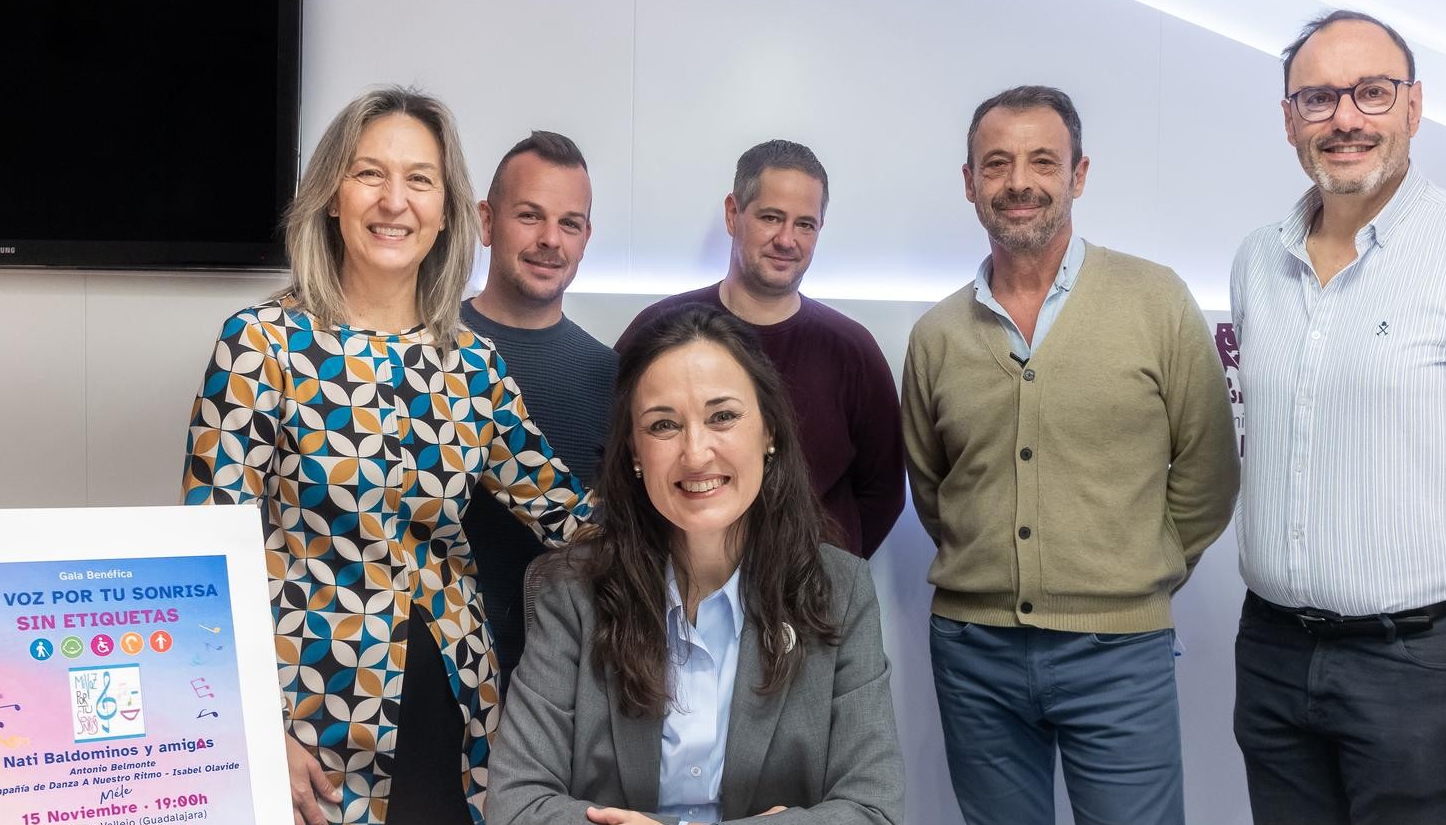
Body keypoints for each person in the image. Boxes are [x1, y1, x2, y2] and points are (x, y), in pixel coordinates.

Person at [181, 87, 591, 825]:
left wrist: (728, 523)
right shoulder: (261, 345)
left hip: (458, 712)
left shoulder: (473, 364)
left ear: (448, 209)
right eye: (369, 173)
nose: (394, 201)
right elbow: (203, 557)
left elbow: (569, 515)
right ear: (331, 196)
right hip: (308, 722)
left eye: (420, 179)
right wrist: (253, 727)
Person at [901, 85, 1238, 825]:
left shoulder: (1156, 301)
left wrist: (1134, 568)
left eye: (1043, 161)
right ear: (969, 182)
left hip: (1120, 652)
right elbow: (935, 488)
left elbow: (1210, 470)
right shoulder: (936, 335)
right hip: (974, 651)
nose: (1019, 182)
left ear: (1079, 174)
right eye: (997, 164)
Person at [1231, 10, 1446, 825]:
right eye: (1318, 98)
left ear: (1414, 107)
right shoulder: (1257, 259)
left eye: (1372, 93)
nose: (1345, 118)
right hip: (1274, 653)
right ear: (1290, 119)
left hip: (1426, 666)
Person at [487, 305, 904, 825]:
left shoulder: (840, 591)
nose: (696, 453)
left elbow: (874, 810)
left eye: (722, 416)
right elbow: (516, 804)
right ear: (634, 452)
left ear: (769, 431)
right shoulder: (570, 591)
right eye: (663, 425)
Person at [614, 140, 904, 559]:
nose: (787, 240)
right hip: (674, 582)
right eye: (771, 218)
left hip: (811, 588)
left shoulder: (852, 350)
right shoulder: (660, 331)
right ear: (733, 214)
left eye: (805, 225)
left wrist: (829, 568)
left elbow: (883, 492)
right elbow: (615, 455)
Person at [461, 130, 616, 689]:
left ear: (586, 237)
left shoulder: (612, 375)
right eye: (529, 216)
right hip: (441, 675)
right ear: (486, 221)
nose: (550, 239)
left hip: (572, 682)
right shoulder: (424, 353)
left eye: (569, 223)